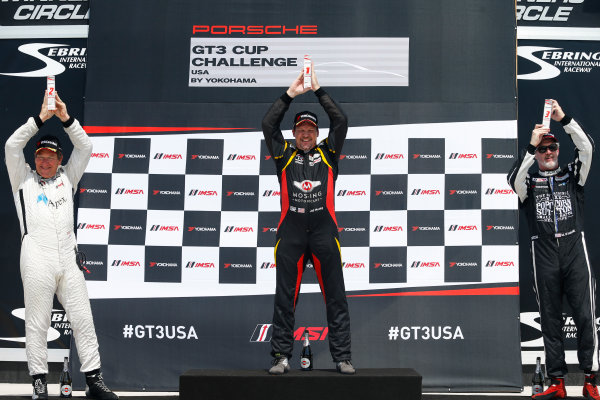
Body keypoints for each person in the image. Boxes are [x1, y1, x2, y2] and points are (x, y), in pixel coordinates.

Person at [5, 91, 118, 400]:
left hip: (68, 259)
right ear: (34, 159)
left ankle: (94, 381)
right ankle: (39, 383)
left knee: (83, 319)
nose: (44, 161)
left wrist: (66, 118)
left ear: (59, 160)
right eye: (40, 156)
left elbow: (86, 145)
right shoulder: (22, 180)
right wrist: (40, 119)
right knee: (37, 323)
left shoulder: (69, 177)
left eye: (50, 157)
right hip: (36, 256)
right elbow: (12, 145)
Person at [262, 65, 354, 375]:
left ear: (317, 134)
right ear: (294, 133)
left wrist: (317, 90)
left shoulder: (329, 153)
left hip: (324, 232)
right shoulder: (283, 154)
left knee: (336, 296)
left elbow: (340, 120)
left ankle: (342, 358)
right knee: (285, 298)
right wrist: (290, 93)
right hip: (291, 233)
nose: (305, 133)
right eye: (300, 129)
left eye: (310, 130)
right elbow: (267, 123)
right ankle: (280, 357)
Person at [507, 100, 598, 400]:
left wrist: (564, 119)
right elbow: (512, 179)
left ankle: (590, 380)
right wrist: (529, 146)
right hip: (543, 250)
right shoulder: (529, 182)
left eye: (552, 148)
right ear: (537, 152)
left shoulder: (574, 175)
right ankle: (557, 381)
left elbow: (587, 148)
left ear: (559, 150)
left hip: (574, 247)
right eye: (543, 149)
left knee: (586, 316)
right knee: (549, 318)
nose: (548, 153)